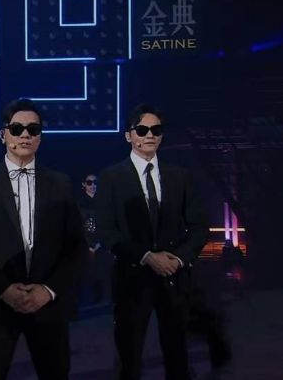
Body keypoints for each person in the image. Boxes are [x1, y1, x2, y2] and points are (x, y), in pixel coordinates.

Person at [0, 98, 87, 380]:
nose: (25, 135)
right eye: (17, 128)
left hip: (48, 307)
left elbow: (76, 247)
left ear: (40, 137)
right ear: (3, 134)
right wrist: (4, 289)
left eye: (33, 130)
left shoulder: (60, 183)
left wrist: (48, 290)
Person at [96, 104, 208, 380]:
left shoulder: (179, 176)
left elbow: (199, 226)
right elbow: (107, 231)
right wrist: (146, 256)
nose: (149, 135)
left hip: (174, 279)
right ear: (128, 136)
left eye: (155, 130)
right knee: (129, 358)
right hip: (132, 280)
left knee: (178, 356)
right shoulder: (111, 177)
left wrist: (178, 259)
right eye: (142, 129)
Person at [78, 173, 112, 306]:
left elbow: (109, 223)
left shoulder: (104, 201)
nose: (92, 185)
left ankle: (106, 299)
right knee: (88, 274)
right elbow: (78, 226)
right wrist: (89, 245)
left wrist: (101, 242)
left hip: (103, 244)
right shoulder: (79, 203)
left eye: (95, 182)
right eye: (89, 183)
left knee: (105, 273)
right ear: (84, 184)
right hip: (86, 245)